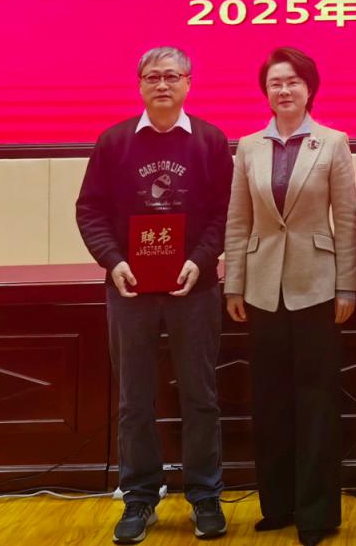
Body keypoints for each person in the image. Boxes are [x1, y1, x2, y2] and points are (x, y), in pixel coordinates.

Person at [76, 46, 232, 544]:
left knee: (200, 396)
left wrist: (200, 260)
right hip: (130, 289)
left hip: (195, 288)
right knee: (134, 400)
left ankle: (205, 495)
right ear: (139, 84)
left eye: (172, 76)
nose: (162, 84)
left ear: (189, 82)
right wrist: (114, 261)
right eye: (152, 77)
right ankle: (139, 496)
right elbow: (90, 211)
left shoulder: (210, 141)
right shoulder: (114, 142)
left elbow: (225, 213)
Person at [223, 47, 356, 546]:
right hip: (261, 289)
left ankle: (317, 513)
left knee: (316, 401)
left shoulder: (333, 142)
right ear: (266, 91)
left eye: (293, 82)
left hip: (317, 285)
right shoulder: (248, 147)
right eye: (275, 83)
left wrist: (347, 283)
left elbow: (346, 219)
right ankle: (277, 504)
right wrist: (234, 282)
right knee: (270, 400)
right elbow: (238, 220)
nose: (284, 90)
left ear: (309, 89)